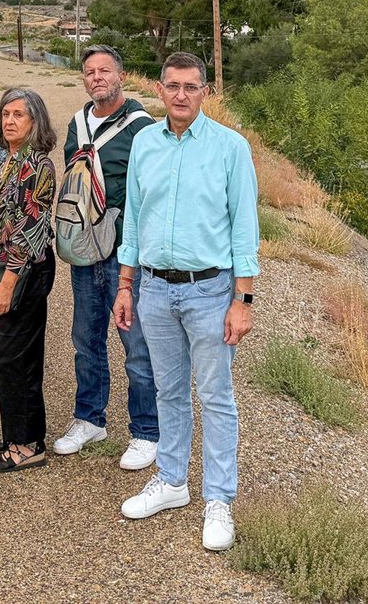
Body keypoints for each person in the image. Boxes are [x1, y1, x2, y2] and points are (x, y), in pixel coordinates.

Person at [113, 52, 259, 551]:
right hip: (154, 289)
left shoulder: (230, 148)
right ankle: (173, 481)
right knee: (168, 391)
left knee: (216, 397)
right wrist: (126, 285)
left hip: (210, 291)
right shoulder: (144, 143)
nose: (181, 95)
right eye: (172, 86)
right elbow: (134, 218)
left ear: (205, 92)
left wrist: (243, 300)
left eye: (191, 86)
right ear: (159, 89)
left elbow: (244, 228)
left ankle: (219, 499)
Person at [54, 45, 160, 471]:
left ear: (121, 76)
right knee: (86, 340)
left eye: (105, 70)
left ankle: (147, 431)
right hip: (85, 250)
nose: (97, 77)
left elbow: (150, 193)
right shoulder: (77, 124)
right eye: (90, 72)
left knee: (136, 344)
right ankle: (89, 418)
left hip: (124, 254)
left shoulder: (142, 127)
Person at [0, 87, 57, 472]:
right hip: (0, 266)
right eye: (5, 114)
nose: (9, 121)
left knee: (19, 359)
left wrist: (7, 283)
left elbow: (29, 230)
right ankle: (15, 432)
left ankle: (28, 444)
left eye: (18, 115)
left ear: (35, 121)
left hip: (21, 270)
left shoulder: (37, 166)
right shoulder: (3, 158)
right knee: (6, 357)